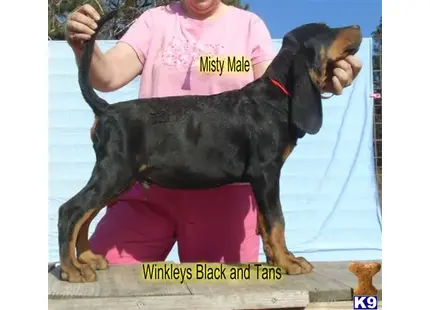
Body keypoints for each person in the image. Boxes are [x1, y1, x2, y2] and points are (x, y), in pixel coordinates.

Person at [65, 0, 362, 265]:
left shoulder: (249, 26)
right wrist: (84, 46)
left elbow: (279, 88)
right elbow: (108, 75)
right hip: (147, 197)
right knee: (106, 295)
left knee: (229, 298)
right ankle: (75, 243)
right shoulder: (154, 21)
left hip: (226, 211)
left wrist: (321, 80)